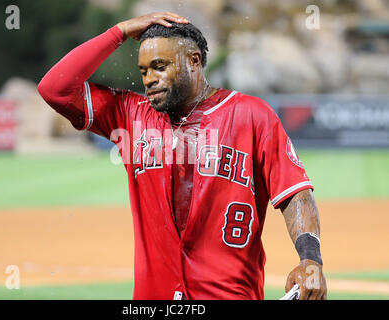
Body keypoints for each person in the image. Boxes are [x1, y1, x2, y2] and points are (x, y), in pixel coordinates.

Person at [38, 12, 327, 300]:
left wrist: (310, 258)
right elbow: (55, 90)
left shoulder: (252, 115)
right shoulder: (130, 115)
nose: (149, 79)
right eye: (143, 71)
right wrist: (120, 32)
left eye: (159, 66)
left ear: (194, 61)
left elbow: (295, 193)